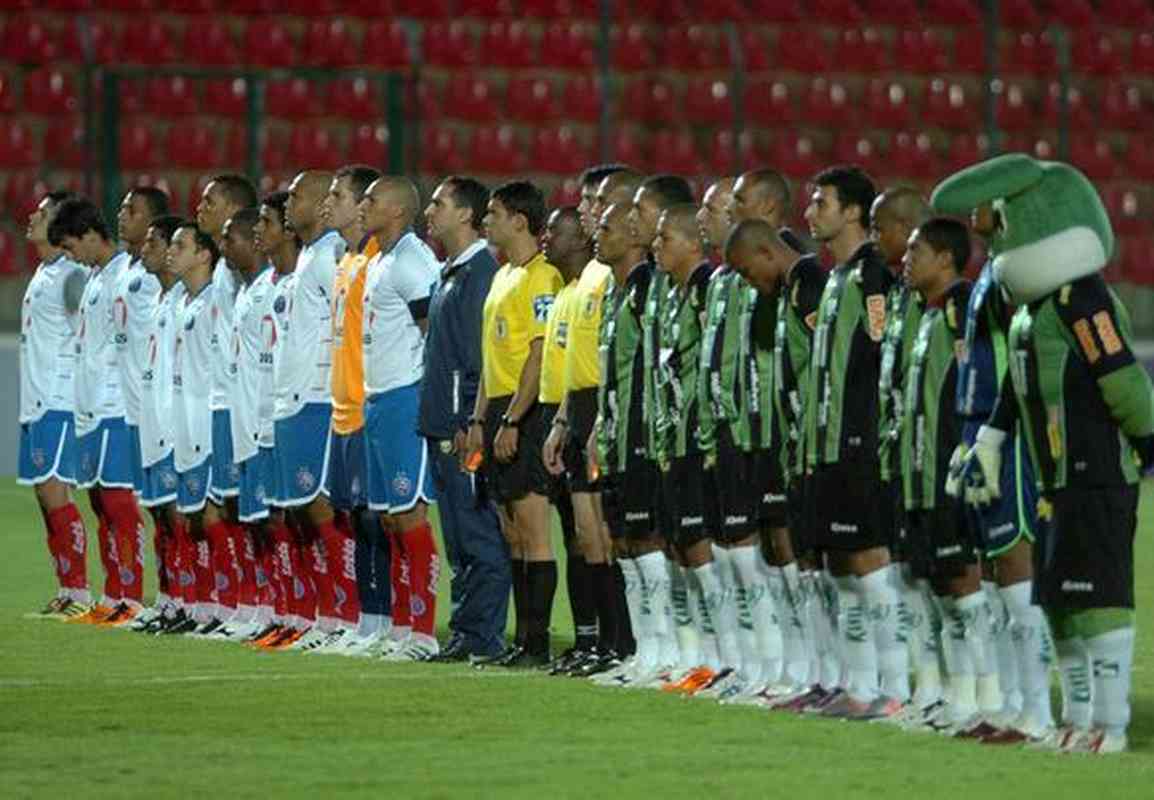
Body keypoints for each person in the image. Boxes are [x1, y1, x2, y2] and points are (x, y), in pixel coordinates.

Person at [936, 153, 1145, 754]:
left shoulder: (1086, 299)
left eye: (1004, 218)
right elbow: (1015, 386)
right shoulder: (1034, 310)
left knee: (1100, 601)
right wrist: (993, 440)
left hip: (1098, 473)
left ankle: (1112, 724)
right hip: (1054, 479)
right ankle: (1079, 719)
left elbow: (1123, 380)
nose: (996, 228)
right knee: (1062, 603)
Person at [801, 166, 904, 719]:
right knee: (842, 564)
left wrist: (867, 431)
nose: (810, 212)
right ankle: (859, 685)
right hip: (826, 443)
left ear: (853, 213)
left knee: (867, 560)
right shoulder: (837, 277)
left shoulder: (871, 279)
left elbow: (881, 347)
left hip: (857, 439)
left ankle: (895, 687)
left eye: (821, 202)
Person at [948, 200, 1052, 744]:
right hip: (980, 429)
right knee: (992, 574)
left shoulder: (1020, 271)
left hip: (1007, 435)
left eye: (990, 201)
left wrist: (991, 431)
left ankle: (1037, 711)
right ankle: (1010, 704)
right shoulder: (989, 272)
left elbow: (1021, 356)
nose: (975, 208)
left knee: (1016, 566)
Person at [723, 218, 830, 709]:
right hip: (791, 442)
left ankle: (834, 673)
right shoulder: (789, 290)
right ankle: (808, 670)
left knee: (817, 558)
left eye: (748, 272)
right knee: (795, 556)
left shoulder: (811, 284)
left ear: (767, 253)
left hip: (815, 445)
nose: (749, 283)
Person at [595, 174, 696, 689]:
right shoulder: (630, 290)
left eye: (641, 212)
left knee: (655, 542)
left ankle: (679, 652)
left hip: (652, 434)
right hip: (624, 432)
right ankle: (650, 652)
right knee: (630, 544)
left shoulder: (667, 289)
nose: (630, 220)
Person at [464, 181, 564, 667]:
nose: (487, 221)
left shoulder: (543, 278)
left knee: (532, 529)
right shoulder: (503, 275)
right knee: (511, 531)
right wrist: (480, 417)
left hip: (529, 411)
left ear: (520, 221)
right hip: (501, 408)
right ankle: (523, 642)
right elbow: (492, 357)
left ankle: (538, 643)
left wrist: (512, 419)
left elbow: (540, 353)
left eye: (494, 213)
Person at [898, 219, 989, 733]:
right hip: (920, 467)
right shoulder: (927, 313)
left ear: (946, 260)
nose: (907, 259)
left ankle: (981, 695)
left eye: (917, 251)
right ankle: (952, 695)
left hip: (953, 468)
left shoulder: (964, 309)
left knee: (962, 582)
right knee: (936, 583)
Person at [420, 176, 510, 662]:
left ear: (464, 215)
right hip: (441, 424)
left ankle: (485, 636)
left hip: (461, 427)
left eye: (439, 203)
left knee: (478, 534)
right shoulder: (450, 271)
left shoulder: (479, 275)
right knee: (457, 538)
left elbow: (480, 358)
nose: (429, 211)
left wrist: (466, 418)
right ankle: (466, 631)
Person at [48, 198, 146, 626]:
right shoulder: (93, 277)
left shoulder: (128, 275)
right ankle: (112, 595)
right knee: (100, 504)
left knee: (119, 502)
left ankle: (133, 596)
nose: (71, 257)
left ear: (90, 235)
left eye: (71, 247)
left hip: (115, 404)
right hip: (90, 406)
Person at [269, 170, 353, 652]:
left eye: (297, 195)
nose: (289, 202)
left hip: (319, 399)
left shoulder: (331, 257)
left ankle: (344, 613)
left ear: (323, 205)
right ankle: (320, 614)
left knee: (322, 510)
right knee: (300, 512)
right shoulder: (309, 258)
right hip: (294, 399)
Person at [360, 176, 442, 661]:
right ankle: (401, 625)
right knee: (390, 519)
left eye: (370, 201)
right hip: (377, 398)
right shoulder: (381, 259)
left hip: (404, 398)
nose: (363, 208)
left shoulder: (412, 261)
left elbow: (433, 331)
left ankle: (424, 632)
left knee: (410, 512)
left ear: (395, 211)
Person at [539, 207, 619, 672]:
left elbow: (600, 360)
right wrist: (563, 421)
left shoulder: (600, 279)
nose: (548, 237)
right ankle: (593, 640)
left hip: (598, 409)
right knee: (579, 535)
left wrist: (587, 418)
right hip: (573, 411)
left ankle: (614, 642)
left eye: (556, 229)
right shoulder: (571, 287)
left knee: (600, 535)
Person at [322, 164, 392, 657]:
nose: (331, 203)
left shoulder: (374, 261)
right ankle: (366, 618)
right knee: (354, 518)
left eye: (338, 195)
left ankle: (388, 619)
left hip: (369, 407)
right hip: (341, 407)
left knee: (376, 518)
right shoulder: (344, 261)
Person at [869, 187, 934, 716]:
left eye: (881, 226)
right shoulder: (894, 294)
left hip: (937, 459)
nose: (876, 238)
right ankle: (919, 689)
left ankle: (971, 692)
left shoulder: (948, 303)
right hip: (900, 456)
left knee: (949, 578)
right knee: (909, 575)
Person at [192, 174, 261, 637]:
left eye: (209, 201)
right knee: (222, 507)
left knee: (248, 509)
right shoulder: (223, 271)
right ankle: (237, 603)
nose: (200, 207)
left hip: (244, 403)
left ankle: (259, 604)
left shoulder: (244, 274)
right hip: (219, 401)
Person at [19, 191, 91, 618]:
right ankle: (66, 585)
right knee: (45, 498)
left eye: (43, 214)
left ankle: (79, 591)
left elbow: (89, 333)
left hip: (59, 400)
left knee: (56, 494)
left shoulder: (70, 276)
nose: (32, 217)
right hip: (36, 403)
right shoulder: (45, 272)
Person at [249, 192, 310, 651]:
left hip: (300, 406)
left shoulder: (308, 276)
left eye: (267, 222)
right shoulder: (263, 285)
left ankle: (319, 614)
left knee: (305, 516)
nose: (259, 231)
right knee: (275, 518)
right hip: (267, 411)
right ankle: (288, 611)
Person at [216, 206, 278, 642]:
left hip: (268, 416)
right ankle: (260, 606)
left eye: (229, 239)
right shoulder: (246, 291)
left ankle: (290, 609)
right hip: (244, 416)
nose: (223, 248)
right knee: (250, 516)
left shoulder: (272, 290)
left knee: (276, 520)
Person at [131, 214, 194, 634]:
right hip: (153, 417)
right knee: (160, 515)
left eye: (161, 244)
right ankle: (171, 598)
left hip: (177, 422)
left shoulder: (188, 301)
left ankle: (194, 600)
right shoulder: (164, 301)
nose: (151, 251)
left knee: (179, 516)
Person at [111, 186, 170, 625]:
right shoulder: (125, 269)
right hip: (134, 406)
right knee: (156, 507)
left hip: (161, 406)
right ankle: (170, 597)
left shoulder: (155, 278)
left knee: (174, 509)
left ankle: (186, 597)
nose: (121, 215)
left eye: (132, 210)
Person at [168, 223, 225, 632]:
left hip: (208, 422)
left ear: (205, 255)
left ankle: (231, 603)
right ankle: (201, 605)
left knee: (212, 516)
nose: (172, 251)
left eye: (180, 245)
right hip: (182, 422)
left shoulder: (213, 302)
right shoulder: (181, 301)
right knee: (190, 517)